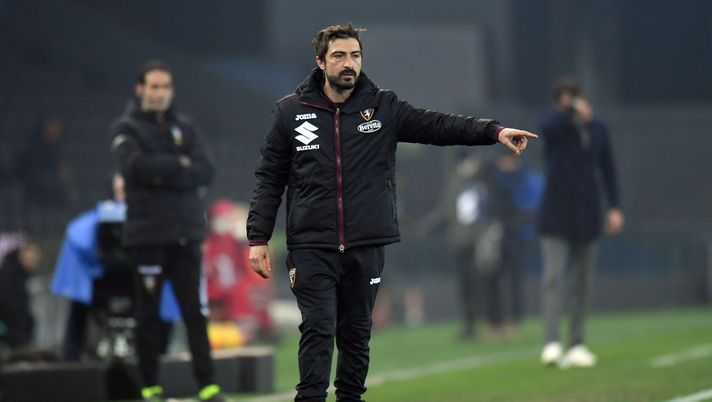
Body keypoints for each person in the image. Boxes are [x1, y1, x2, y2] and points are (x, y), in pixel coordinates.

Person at [246, 24, 537, 402]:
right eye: (338, 56)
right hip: (310, 244)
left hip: (365, 242)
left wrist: (493, 131)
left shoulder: (383, 106)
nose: (348, 63)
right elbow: (270, 177)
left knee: (356, 334)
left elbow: (438, 125)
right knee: (318, 328)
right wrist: (258, 237)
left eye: (354, 55)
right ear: (320, 62)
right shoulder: (290, 112)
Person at [111, 60, 225, 402]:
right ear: (140, 89)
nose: (160, 93)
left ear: (171, 91)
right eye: (154, 86)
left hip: (186, 235)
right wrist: (179, 164)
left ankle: (207, 385)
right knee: (147, 316)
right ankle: (149, 386)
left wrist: (164, 172)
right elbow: (135, 169)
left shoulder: (185, 127)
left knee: (195, 313)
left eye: (165, 87)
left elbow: (206, 170)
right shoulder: (126, 128)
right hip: (147, 238)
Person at [537, 77, 624, 368]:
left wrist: (614, 207)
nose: (569, 102)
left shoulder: (597, 129)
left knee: (582, 283)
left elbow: (608, 169)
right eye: (563, 98)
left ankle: (577, 343)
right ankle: (551, 342)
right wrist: (567, 113)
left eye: (573, 97)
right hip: (555, 215)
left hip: (587, 214)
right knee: (553, 279)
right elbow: (546, 127)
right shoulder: (557, 127)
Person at [51, 173, 179, 361]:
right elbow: (77, 236)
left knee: (164, 295)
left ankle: (161, 354)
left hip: (141, 282)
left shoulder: (151, 216)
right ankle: (71, 356)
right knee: (79, 303)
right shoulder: (96, 219)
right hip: (103, 282)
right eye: (121, 189)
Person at [0, 239, 41, 351]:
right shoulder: (8, 275)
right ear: (21, 253)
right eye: (30, 254)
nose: (34, 258)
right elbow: (10, 308)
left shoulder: (19, 275)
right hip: (10, 337)